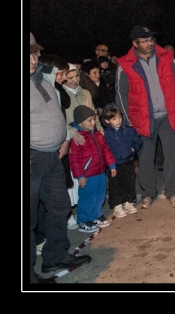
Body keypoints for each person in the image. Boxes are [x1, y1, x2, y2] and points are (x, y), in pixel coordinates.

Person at [29, 32, 91, 284]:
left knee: (59, 207)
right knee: (28, 218)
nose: (32, 58)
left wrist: (65, 137)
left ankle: (55, 256)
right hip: (31, 158)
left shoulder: (43, 78)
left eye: (34, 53)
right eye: (27, 54)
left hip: (52, 156)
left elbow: (57, 112)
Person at [115, 25, 175, 209]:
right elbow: (120, 94)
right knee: (145, 158)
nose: (150, 43)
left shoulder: (166, 56)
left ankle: (172, 191)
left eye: (151, 39)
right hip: (142, 119)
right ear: (135, 43)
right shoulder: (125, 63)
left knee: (172, 155)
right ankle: (148, 193)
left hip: (168, 115)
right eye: (145, 41)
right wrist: (128, 121)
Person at [68, 105, 117, 232]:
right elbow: (74, 160)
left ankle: (96, 216)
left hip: (100, 171)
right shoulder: (78, 138)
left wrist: (111, 164)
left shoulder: (97, 134)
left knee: (100, 195)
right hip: (87, 175)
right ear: (80, 122)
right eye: (89, 120)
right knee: (87, 197)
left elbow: (105, 150)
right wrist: (80, 176)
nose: (93, 122)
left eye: (94, 119)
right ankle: (84, 220)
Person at [101, 104, 143, 218]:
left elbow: (138, 141)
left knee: (129, 182)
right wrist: (109, 163)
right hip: (113, 164)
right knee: (115, 184)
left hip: (128, 160)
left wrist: (134, 149)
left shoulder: (129, 130)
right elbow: (104, 148)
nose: (118, 120)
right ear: (107, 120)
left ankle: (128, 202)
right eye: (114, 119)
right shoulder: (106, 133)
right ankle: (117, 205)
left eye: (119, 117)